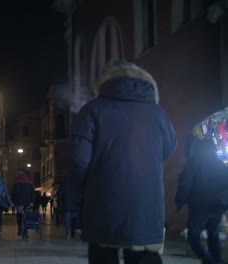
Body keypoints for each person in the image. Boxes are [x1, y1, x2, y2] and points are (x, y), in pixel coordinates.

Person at [65, 60, 177, 264]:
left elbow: (78, 161)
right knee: (145, 256)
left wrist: (75, 198)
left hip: (103, 203)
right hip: (147, 204)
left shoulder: (91, 110)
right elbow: (169, 150)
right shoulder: (158, 113)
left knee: (103, 255)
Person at [176, 138, 228, 264]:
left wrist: (180, 202)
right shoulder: (222, 166)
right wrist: (225, 205)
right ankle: (216, 261)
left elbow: (185, 185)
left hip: (199, 207)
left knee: (193, 237)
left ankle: (210, 261)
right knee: (213, 235)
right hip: (217, 206)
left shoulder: (193, 163)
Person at [11, 168, 35, 237]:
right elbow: (33, 192)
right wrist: (32, 201)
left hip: (19, 202)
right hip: (28, 202)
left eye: (19, 172)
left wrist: (13, 201)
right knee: (26, 216)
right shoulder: (30, 181)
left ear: (21, 172)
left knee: (19, 215)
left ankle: (19, 228)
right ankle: (25, 230)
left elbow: (13, 192)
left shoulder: (16, 180)